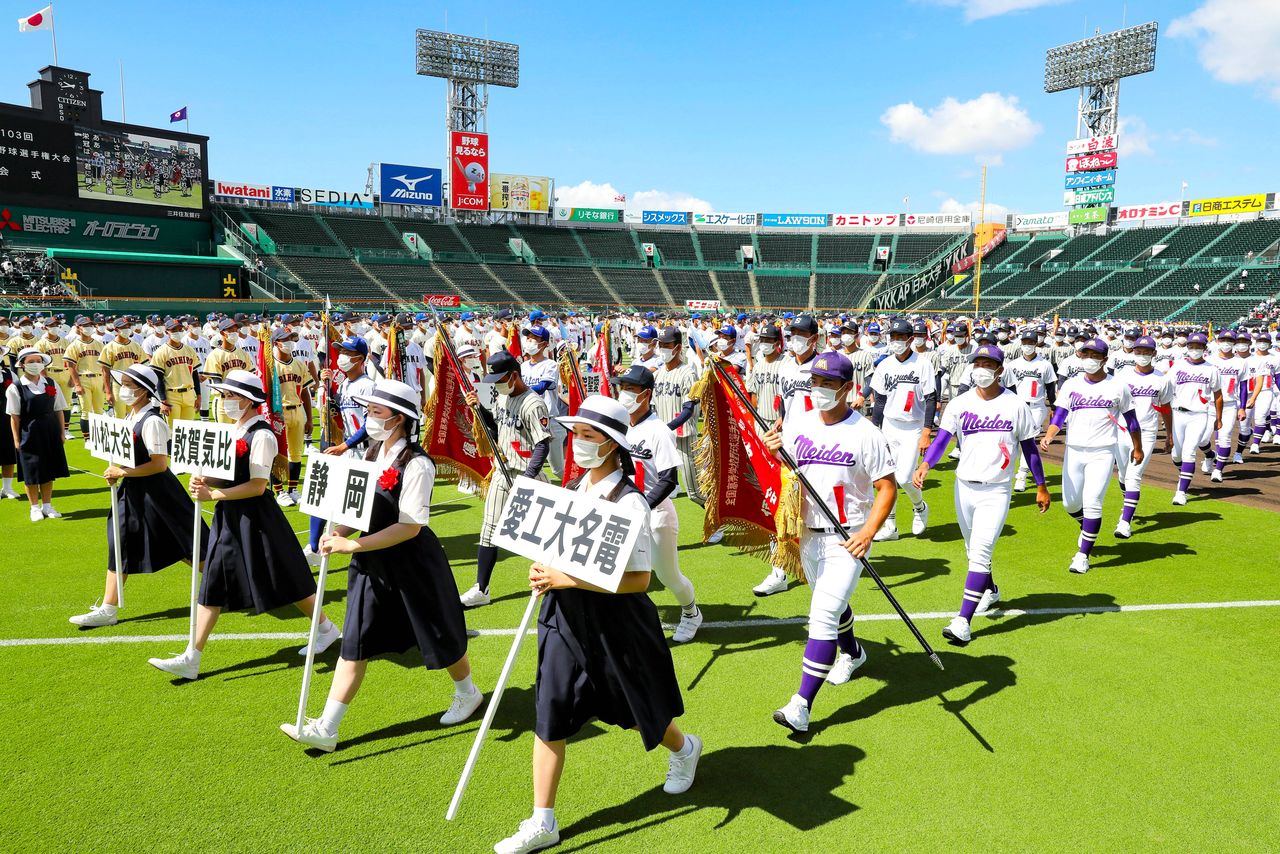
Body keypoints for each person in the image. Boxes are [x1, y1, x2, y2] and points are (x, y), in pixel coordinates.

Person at [493, 395, 700, 854]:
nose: (578, 444)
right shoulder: (574, 490)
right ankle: (542, 820)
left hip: (616, 624)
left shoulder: (630, 503)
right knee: (551, 711)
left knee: (637, 708)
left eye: (589, 437)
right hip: (564, 618)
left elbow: (639, 581)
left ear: (611, 445)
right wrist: (541, 566)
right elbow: (556, 548)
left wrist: (560, 576)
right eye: (577, 435)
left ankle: (684, 750)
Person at [281, 380, 481, 752]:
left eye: (377, 412)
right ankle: (328, 726)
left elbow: (409, 527)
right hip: (371, 562)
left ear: (400, 419)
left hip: (412, 563)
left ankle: (467, 693)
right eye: (369, 410)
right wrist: (336, 532)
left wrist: (351, 543)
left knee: (439, 634)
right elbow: (354, 507)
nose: (369, 418)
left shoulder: (418, 464)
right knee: (355, 640)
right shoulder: (371, 453)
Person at [147, 370, 340, 681]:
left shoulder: (261, 435)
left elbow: (257, 486)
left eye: (231, 396)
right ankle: (192, 656)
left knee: (286, 576)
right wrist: (204, 478)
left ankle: (326, 628)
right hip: (229, 516)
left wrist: (212, 493)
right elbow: (223, 470)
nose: (226, 401)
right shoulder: (233, 429)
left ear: (249, 401)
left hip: (257, 518)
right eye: (224, 396)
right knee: (212, 582)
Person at [762, 351, 895, 733]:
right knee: (832, 607)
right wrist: (776, 451)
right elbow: (790, 471)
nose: (818, 389)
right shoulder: (800, 423)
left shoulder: (866, 432)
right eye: (815, 382)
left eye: (828, 384)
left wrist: (868, 532)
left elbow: (887, 488)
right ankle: (853, 652)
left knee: (821, 617)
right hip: (807, 535)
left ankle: (800, 705)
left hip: (846, 539)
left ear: (846, 388)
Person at [913, 344, 1050, 645]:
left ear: (1001, 370)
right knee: (971, 550)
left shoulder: (1016, 405)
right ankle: (991, 590)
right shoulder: (960, 403)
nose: (982, 369)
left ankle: (963, 620)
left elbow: (1029, 449)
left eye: (989, 364)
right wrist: (925, 464)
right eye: (978, 363)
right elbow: (943, 439)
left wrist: (1040, 485)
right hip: (964, 486)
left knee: (981, 551)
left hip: (997, 489)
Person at [69, 365, 210, 627]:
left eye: (127, 384)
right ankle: (109, 607)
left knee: (188, 545)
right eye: (121, 383)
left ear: (144, 391)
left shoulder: (153, 421)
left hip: (159, 495)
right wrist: (118, 472)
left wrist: (121, 472)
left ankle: (233, 583)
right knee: (119, 540)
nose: (123, 389)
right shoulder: (130, 416)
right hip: (134, 492)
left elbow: (159, 464)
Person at [1040, 339, 1143, 574]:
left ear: (1105, 359)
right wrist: (1049, 435)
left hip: (1103, 451)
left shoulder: (1118, 386)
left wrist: (1137, 447)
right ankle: (1087, 529)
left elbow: (1132, 420)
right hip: (1074, 450)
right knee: (1070, 504)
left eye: (1094, 355)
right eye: (1085, 354)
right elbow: (1060, 415)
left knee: (1093, 503)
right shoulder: (1072, 385)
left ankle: (1083, 555)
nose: (1089, 359)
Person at [459, 351, 552, 608]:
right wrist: (479, 409)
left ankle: (559, 582)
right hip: (503, 470)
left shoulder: (533, 403)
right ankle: (481, 588)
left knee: (546, 531)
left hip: (528, 474)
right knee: (489, 530)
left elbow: (542, 445)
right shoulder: (501, 397)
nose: (498, 383)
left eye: (501, 378)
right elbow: (497, 428)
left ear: (514, 375)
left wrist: (529, 478)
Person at [617, 365, 702, 643]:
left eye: (630, 389)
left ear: (646, 394)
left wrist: (642, 505)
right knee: (625, 571)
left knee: (668, 576)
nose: (624, 394)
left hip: (656, 514)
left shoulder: (658, 430)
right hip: (627, 512)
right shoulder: (621, 427)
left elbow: (668, 480)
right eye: (622, 388)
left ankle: (691, 612)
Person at [868, 317, 936, 540]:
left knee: (906, 477)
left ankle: (919, 507)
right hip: (890, 424)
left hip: (913, 426)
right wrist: (874, 428)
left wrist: (927, 431)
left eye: (900, 337)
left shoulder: (923, 363)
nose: (896, 341)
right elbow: (879, 401)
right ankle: (890, 527)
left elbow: (930, 398)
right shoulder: (885, 364)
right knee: (886, 477)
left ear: (910, 339)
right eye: (893, 337)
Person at [1112, 336, 1174, 537]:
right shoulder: (1121, 376)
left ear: (1154, 354)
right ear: (1133, 352)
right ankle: (1129, 504)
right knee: (1122, 475)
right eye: (1138, 351)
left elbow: (1165, 408)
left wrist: (1169, 435)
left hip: (1147, 432)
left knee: (1133, 476)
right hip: (1123, 430)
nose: (1142, 355)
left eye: (1147, 352)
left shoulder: (1162, 379)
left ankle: (1125, 522)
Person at [7, 347, 70, 522]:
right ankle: (34, 507)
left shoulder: (51, 383)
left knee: (49, 469)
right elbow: (14, 416)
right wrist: (17, 440)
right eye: (31, 362)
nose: (35, 364)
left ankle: (47, 505)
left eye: (38, 361)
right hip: (29, 432)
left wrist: (62, 432)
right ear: (22, 365)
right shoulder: (16, 387)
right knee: (32, 471)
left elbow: (58, 410)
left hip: (50, 431)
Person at [1166, 331, 1222, 504]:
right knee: (1176, 455)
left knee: (1189, 451)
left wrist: (1218, 418)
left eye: (1198, 347)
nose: (1194, 349)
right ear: (1187, 347)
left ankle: (1181, 492)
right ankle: (1187, 473)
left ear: (1205, 348)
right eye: (1192, 346)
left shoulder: (1212, 369)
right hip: (1178, 413)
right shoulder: (1178, 366)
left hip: (1199, 414)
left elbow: (1218, 395)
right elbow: (1167, 389)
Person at [651, 326, 705, 507]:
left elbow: (688, 410)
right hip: (663, 441)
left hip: (683, 439)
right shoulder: (657, 375)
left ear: (678, 347)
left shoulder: (687, 374)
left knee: (694, 492)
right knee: (657, 488)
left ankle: (718, 522)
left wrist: (666, 428)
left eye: (667, 344)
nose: (663, 348)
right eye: (661, 344)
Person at [1002, 327, 1056, 492]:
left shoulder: (1045, 365)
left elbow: (1050, 389)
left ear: (1036, 344)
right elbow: (1009, 388)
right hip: (1017, 405)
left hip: (1036, 407)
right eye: (1025, 342)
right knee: (1013, 441)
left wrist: (1053, 406)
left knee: (1029, 441)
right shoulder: (1013, 365)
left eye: (1031, 342)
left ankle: (1022, 475)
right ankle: (1008, 473)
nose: (1027, 345)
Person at [269, 328, 314, 506]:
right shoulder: (270, 366)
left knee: (295, 453)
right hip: (279, 413)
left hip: (298, 410)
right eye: (285, 339)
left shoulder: (299, 364)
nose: (290, 342)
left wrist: (309, 418)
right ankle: (279, 491)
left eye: (291, 339)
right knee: (277, 453)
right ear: (276, 343)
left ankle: (293, 489)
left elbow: (305, 392)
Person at [520, 325, 567, 481]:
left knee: (558, 470)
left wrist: (519, 390)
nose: (530, 341)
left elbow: (542, 387)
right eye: (528, 338)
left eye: (534, 338)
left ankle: (583, 488)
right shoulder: (523, 366)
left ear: (545, 344)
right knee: (528, 465)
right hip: (529, 420)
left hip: (549, 421)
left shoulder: (551, 365)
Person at [202, 318, 254, 423]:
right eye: (231, 330)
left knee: (240, 435)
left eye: (236, 330)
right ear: (222, 333)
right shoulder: (215, 355)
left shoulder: (243, 354)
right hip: (223, 400)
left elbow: (249, 377)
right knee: (224, 435)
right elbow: (217, 382)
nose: (234, 333)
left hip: (241, 401)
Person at [149, 319, 200, 425]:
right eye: (174, 330)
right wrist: (163, 400)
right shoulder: (161, 352)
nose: (178, 332)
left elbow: (195, 374)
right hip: (172, 395)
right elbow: (158, 378)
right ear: (167, 331)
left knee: (187, 430)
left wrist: (198, 396)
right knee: (172, 432)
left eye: (180, 329)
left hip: (189, 394)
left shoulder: (189, 350)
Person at [64, 316, 105, 440]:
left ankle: (99, 438)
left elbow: (104, 365)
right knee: (86, 411)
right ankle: (87, 439)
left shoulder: (99, 344)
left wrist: (105, 382)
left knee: (99, 410)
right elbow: (71, 366)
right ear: (78, 328)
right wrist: (77, 384)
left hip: (98, 377)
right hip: (83, 378)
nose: (89, 328)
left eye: (90, 325)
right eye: (85, 326)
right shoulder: (74, 345)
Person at [99, 318, 147, 417]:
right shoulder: (109, 347)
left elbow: (143, 367)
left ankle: (133, 433)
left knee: (134, 415)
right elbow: (105, 371)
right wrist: (108, 392)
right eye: (123, 327)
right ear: (116, 330)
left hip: (134, 386)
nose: (127, 329)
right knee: (119, 417)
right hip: (118, 385)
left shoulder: (136, 346)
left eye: (128, 327)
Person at [35, 318, 74, 439]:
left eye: (56, 325)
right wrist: (44, 377)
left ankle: (65, 430)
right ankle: (50, 428)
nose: (55, 327)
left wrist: (73, 377)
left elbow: (72, 360)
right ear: (45, 327)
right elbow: (39, 362)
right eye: (51, 325)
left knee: (66, 404)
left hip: (66, 373)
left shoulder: (65, 341)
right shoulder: (41, 343)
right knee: (49, 403)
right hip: (50, 374)